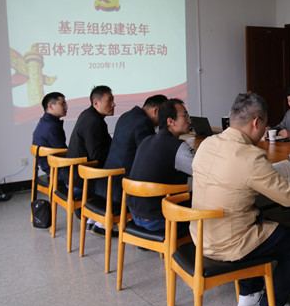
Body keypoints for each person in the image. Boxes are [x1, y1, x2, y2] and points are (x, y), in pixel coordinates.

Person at [191, 93, 290, 306]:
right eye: (265, 125)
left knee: (256, 219)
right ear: (256, 122)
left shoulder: (207, 143)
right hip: (228, 243)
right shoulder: (250, 156)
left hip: (202, 234)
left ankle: (249, 293)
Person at [89, 95, 168, 236]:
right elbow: (148, 154)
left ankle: (96, 221)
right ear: (156, 111)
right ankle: (104, 224)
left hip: (106, 182)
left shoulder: (127, 115)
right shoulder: (143, 122)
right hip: (121, 187)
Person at [127, 98, 194, 231]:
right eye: (185, 115)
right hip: (158, 220)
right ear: (170, 121)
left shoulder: (147, 140)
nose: (189, 120)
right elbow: (205, 172)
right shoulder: (178, 147)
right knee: (205, 198)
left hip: (135, 215)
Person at [66, 85, 115, 196]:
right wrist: (117, 146)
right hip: (80, 181)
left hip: (73, 177)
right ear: (96, 103)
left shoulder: (87, 114)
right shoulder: (94, 121)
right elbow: (97, 155)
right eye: (109, 101)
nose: (113, 104)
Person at [32, 92, 68, 178]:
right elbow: (62, 153)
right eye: (62, 103)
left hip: (50, 169)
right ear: (51, 106)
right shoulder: (52, 126)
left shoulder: (45, 122)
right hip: (56, 171)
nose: (66, 107)